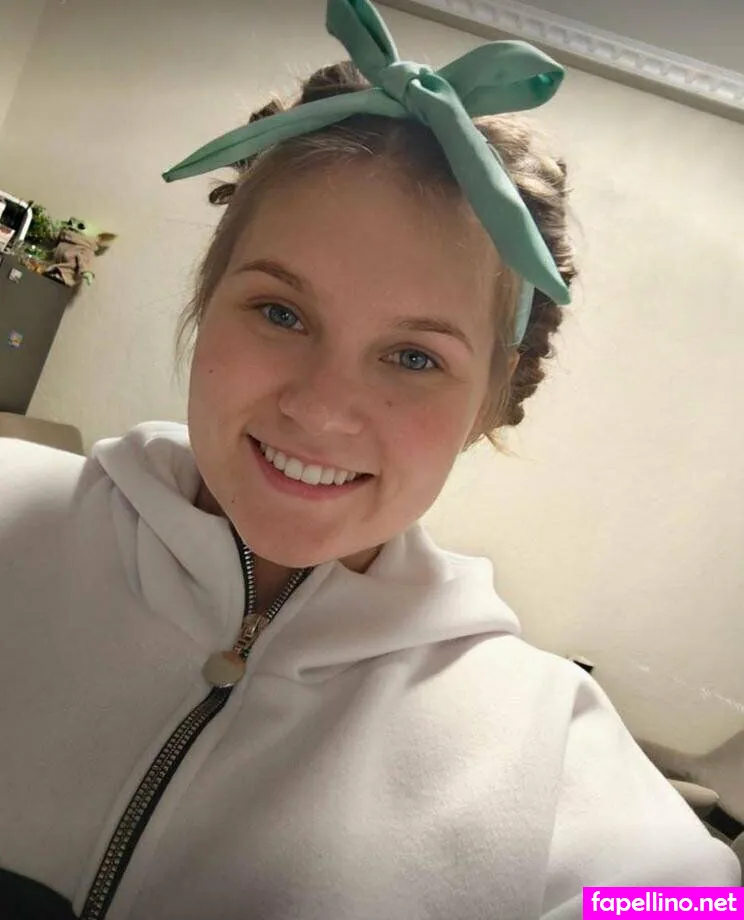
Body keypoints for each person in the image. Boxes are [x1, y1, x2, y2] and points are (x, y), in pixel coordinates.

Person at [0, 1, 738, 917]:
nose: (320, 408)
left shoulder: (545, 746)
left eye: (414, 358)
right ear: (207, 298)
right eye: (281, 312)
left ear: (488, 406)